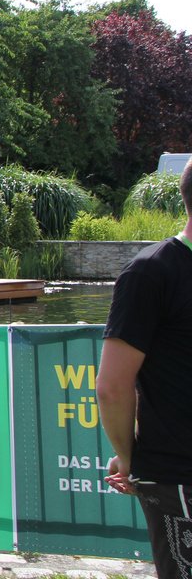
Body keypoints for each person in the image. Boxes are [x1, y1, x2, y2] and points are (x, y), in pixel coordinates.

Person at [97, 159, 192, 579]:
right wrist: (128, 457)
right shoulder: (153, 270)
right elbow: (112, 387)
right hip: (179, 477)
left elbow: (113, 386)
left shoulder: (151, 272)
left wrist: (127, 456)